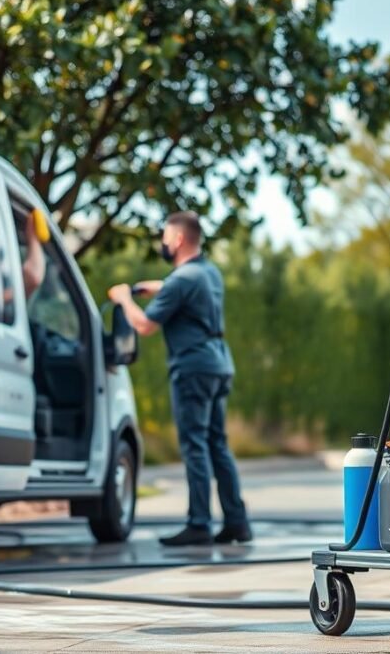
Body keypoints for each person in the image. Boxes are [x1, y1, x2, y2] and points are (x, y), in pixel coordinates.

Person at [108, 211, 251, 546]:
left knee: (195, 445)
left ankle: (198, 524)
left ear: (179, 239)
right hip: (218, 364)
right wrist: (154, 287)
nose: (163, 243)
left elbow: (144, 326)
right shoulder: (208, 273)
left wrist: (124, 298)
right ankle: (237, 522)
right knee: (217, 444)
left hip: (192, 369)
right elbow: (181, 288)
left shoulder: (182, 280)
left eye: (165, 237)